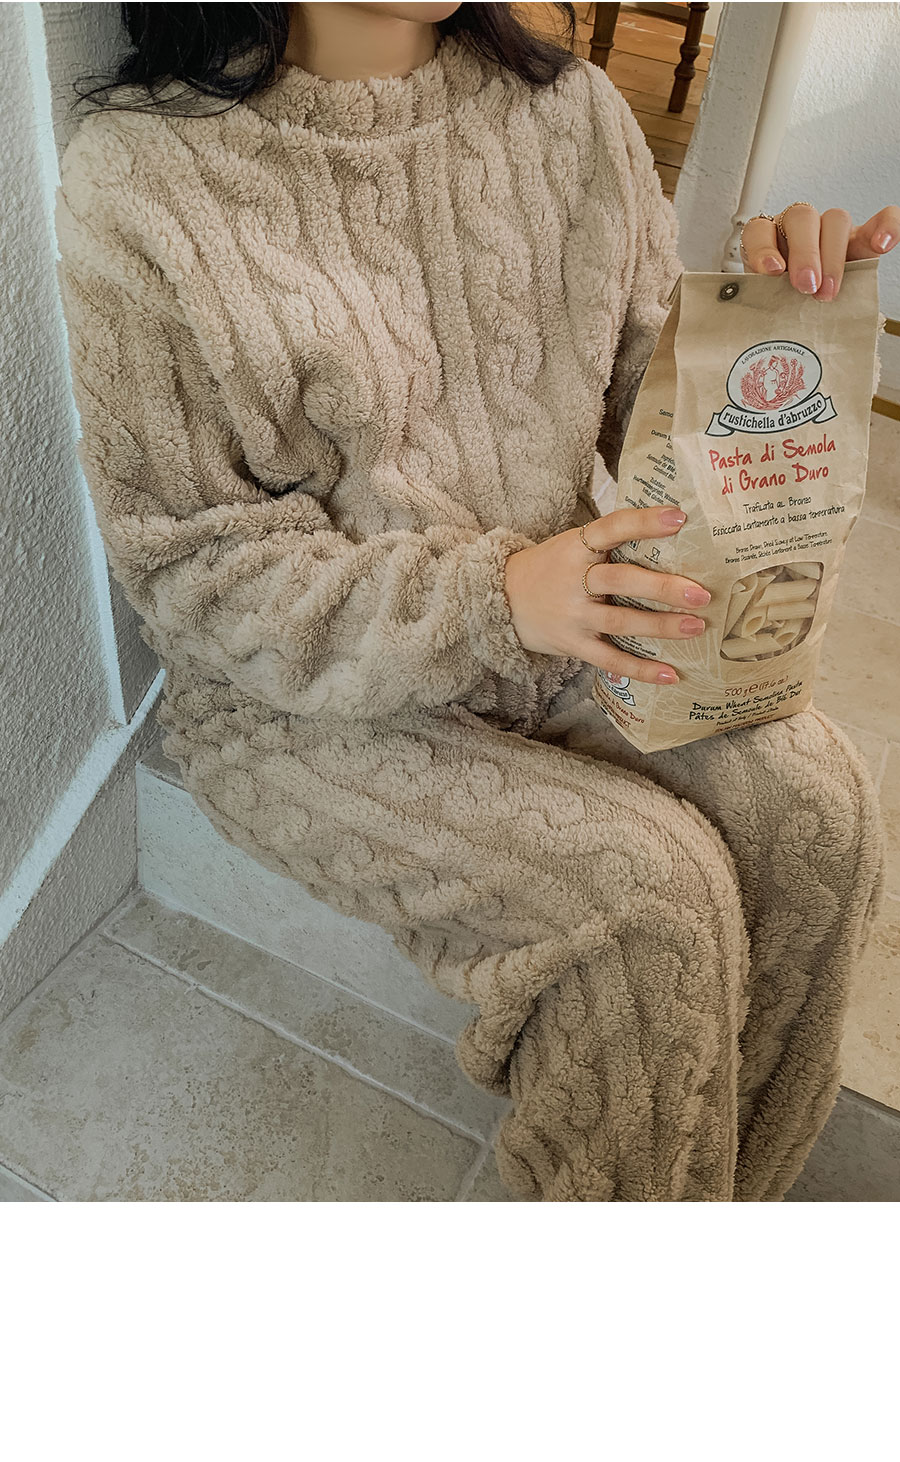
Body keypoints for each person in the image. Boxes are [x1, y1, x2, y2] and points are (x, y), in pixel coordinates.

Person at [55, 2, 898, 1201]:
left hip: (565, 616)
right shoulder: (143, 181)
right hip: (295, 703)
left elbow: (649, 416)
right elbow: (196, 573)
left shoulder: (575, 114)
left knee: (819, 808)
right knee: (647, 904)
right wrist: (496, 599)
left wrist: (772, 344)